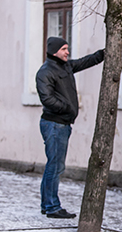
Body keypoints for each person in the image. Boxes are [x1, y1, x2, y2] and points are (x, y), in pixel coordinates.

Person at [35, 37, 104, 219]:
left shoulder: (64, 66)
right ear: (54, 51)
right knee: (55, 166)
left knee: (53, 165)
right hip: (54, 124)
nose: (67, 52)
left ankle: (46, 204)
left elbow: (84, 62)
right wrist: (67, 107)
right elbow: (47, 99)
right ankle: (52, 207)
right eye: (64, 49)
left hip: (62, 124)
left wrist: (102, 54)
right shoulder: (45, 72)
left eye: (67, 48)